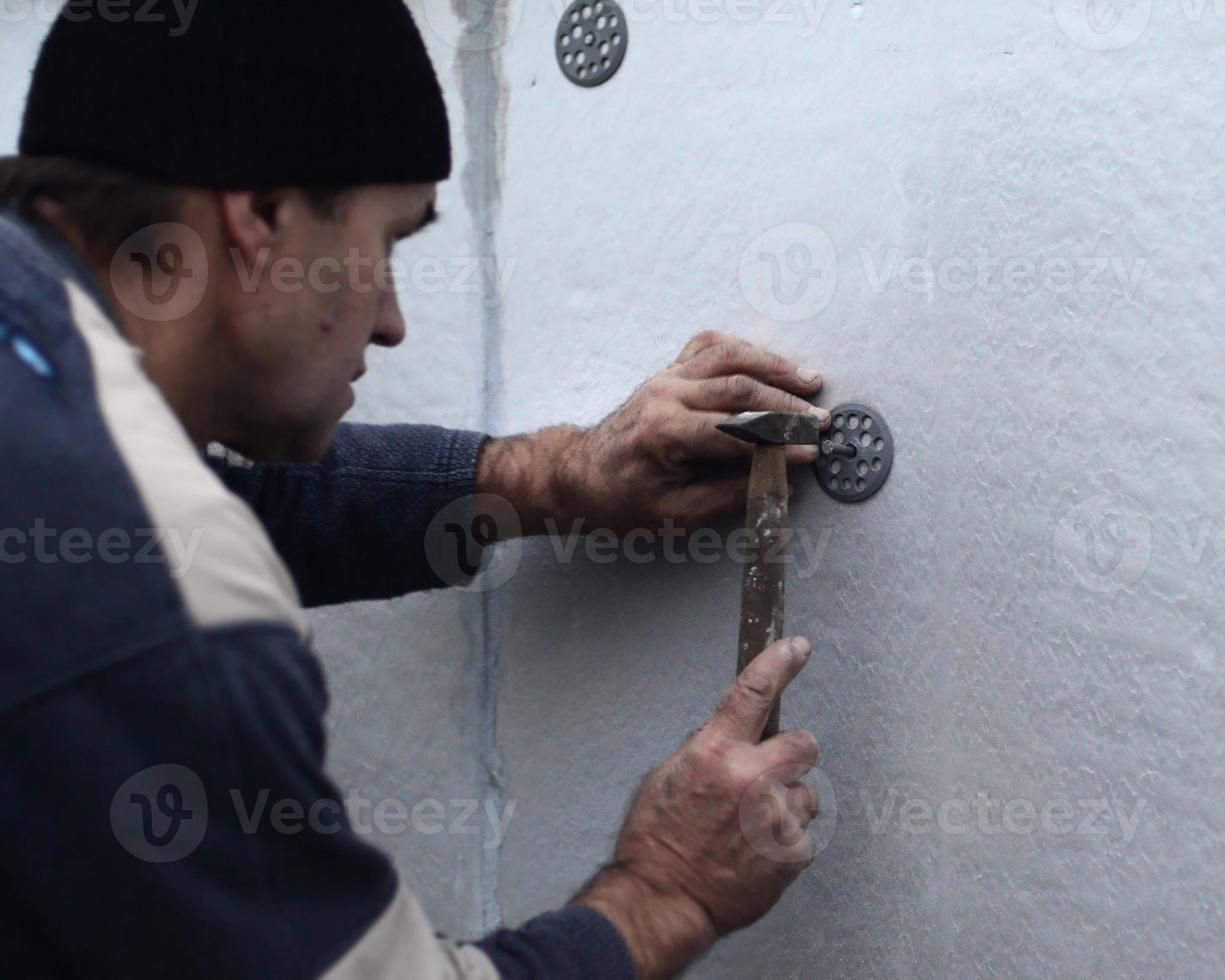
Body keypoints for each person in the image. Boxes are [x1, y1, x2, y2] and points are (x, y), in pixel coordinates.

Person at [0, 2, 827, 977]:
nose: (391, 319)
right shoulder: (152, 585)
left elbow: (222, 502)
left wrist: (550, 477)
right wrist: (667, 890)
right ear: (260, 212)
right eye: (385, 243)